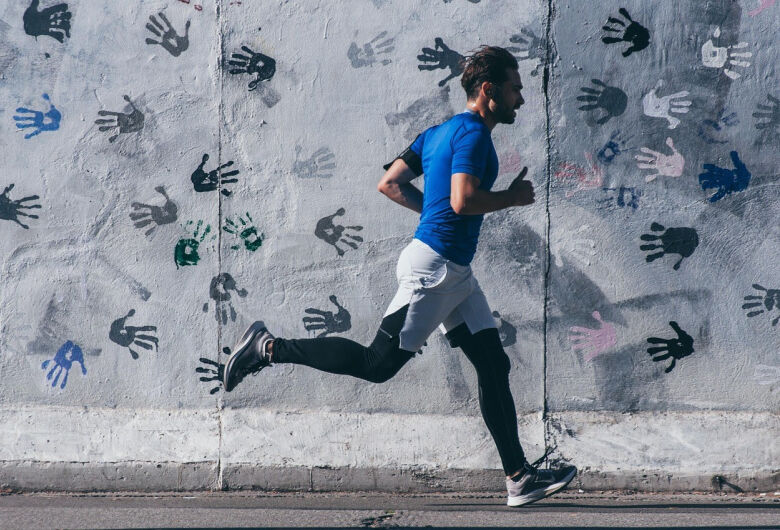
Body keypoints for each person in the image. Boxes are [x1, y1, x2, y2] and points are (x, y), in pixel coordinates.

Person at [222, 46, 577, 507]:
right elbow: (462, 202)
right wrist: (510, 198)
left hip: (454, 272)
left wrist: (434, 214)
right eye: (514, 89)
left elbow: (389, 183)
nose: (521, 100)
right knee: (378, 365)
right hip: (435, 271)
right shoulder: (473, 136)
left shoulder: (435, 133)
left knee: (493, 364)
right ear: (488, 90)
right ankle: (267, 348)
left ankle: (518, 478)